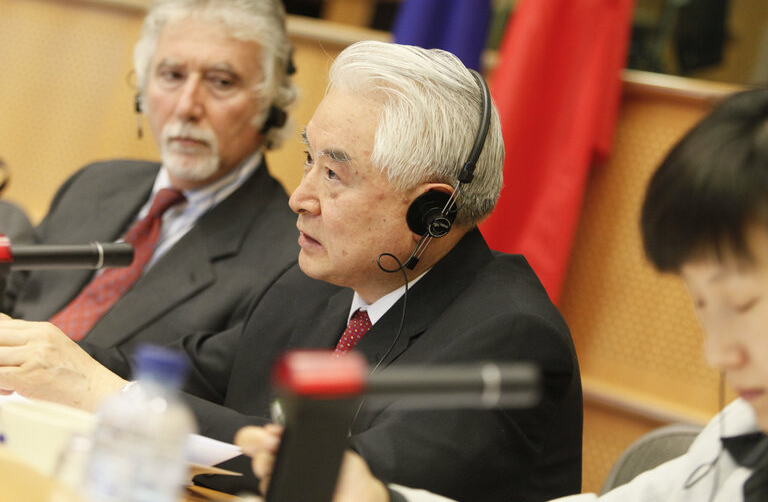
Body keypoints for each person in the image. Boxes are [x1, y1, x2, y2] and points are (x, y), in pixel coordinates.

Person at [0, 41, 583, 502]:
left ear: (430, 211)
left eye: (334, 174)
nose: (299, 198)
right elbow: (183, 371)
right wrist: (33, 355)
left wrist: (110, 396)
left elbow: (338, 478)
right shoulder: (315, 287)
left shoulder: (511, 339)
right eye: (310, 159)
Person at [242, 87, 768, 502]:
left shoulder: (510, 330)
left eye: (742, 306)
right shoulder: (741, 437)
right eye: (704, 308)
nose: (719, 355)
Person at [2, 0, 299, 367]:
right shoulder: (95, 184)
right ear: (142, 92)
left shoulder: (288, 258)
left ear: (271, 104)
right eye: (172, 76)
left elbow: (212, 393)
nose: (186, 106)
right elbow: (13, 302)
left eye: (221, 82)